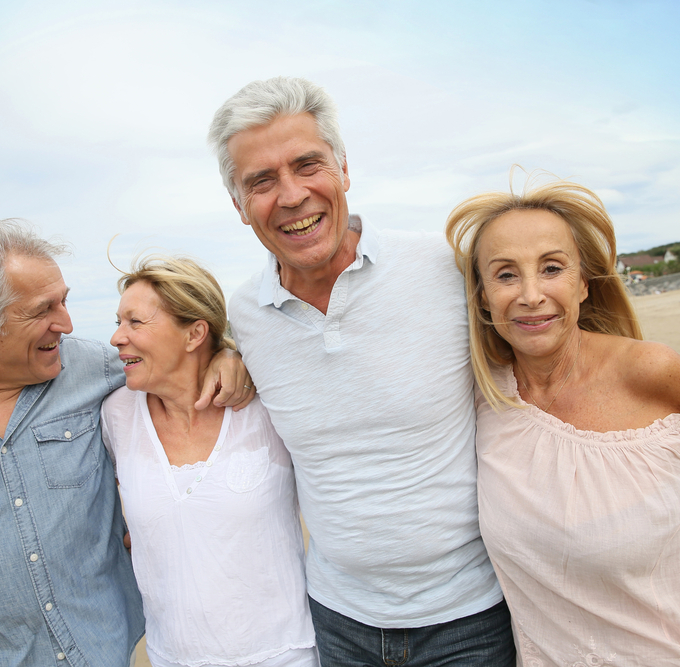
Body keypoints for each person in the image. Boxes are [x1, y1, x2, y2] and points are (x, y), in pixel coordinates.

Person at [0, 220, 252, 667]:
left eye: (64, 301)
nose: (66, 324)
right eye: (42, 310)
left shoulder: (95, 370)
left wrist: (228, 355)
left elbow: (175, 358)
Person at [208, 77, 514, 666]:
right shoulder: (245, 316)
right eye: (261, 181)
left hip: (470, 618)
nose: (292, 195)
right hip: (337, 621)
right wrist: (228, 352)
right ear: (239, 205)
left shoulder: (444, 266)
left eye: (308, 165)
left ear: (344, 168)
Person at [445, 179, 680, 666]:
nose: (531, 295)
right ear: (483, 296)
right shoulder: (486, 398)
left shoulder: (653, 372)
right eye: (506, 275)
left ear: (583, 282)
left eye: (552, 268)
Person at [100, 255, 317, 667]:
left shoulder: (265, 403)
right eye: (118, 322)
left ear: (195, 333)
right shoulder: (116, 414)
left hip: (283, 654)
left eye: (135, 322)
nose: (116, 338)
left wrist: (234, 354)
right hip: (171, 657)